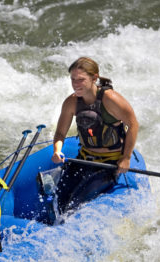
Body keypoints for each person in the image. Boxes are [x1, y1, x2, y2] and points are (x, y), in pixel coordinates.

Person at [49, 57, 139, 215]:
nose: (76, 84)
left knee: (74, 204)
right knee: (59, 200)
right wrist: (57, 150)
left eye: (81, 80)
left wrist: (126, 158)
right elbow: (60, 133)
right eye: (73, 79)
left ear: (94, 78)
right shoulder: (71, 102)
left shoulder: (110, 99)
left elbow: (133, 124)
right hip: (84, 158)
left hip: (110, 164)